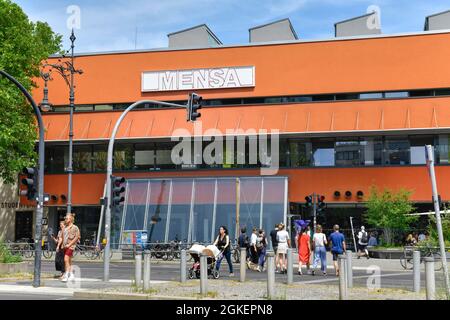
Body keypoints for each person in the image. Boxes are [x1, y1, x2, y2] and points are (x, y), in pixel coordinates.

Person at [61, 213, 80, 282]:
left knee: (65, 259)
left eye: (67, 218)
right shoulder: (64, 227)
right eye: (65, 218)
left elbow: (77, 237)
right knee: (69, 261)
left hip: (71, 246)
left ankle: (66, 275)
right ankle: (71, 275)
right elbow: (62, 236)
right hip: (65, 246)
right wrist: (62, 244)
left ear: (71, 219)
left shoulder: (75, 227)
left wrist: (69, 244)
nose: (65, 219)